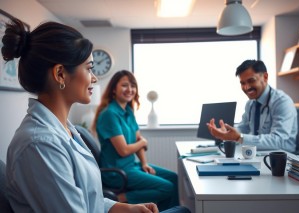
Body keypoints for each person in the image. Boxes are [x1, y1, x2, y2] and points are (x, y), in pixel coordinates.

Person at [2, 17, 190, 213]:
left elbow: (87, 199)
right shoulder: (40, 144)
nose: (94, 78)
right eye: (89, 68)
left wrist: (124, 208)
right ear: (60, 74)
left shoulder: (65, 129)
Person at [92, 70, 180, 211]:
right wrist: (143, 142)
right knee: (167, 187)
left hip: (132, 166)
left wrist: (144, 163)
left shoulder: (128, 111)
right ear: (114, 89)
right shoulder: (110, 114)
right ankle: (122, 199)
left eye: (133, 86)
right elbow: (124, 150)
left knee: (174, 178)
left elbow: (138, 139)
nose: (130, 89)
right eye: (125, 85)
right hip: (116, 172)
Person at [207, 59, 297, 152]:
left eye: (251, 81)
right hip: (257, 154)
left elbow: (278, 140)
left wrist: (239, 137)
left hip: (282, 157)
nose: (246, 87)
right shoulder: (250, 104)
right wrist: (227, 133)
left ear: (265, 77)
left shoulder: (282, 102)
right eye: (243, 83)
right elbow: (243, 129)